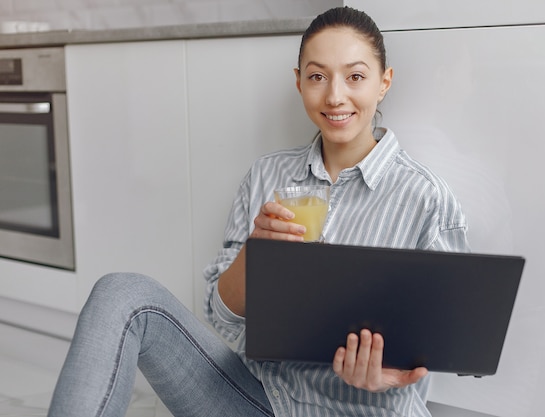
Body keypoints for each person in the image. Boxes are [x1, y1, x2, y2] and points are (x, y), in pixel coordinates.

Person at [47, 6, 469, 417]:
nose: (335, 95)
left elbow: (454, 343)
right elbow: (222, 317)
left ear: (383, 83)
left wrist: (390, 375)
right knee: (122, 293)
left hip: (364, 410)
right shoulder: (267, 175)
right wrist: (256, 252)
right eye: (317, 76)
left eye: (355, 76)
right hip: (258, 400)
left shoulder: (426, 197)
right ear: (299, 82)